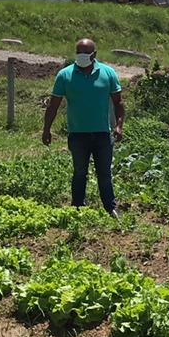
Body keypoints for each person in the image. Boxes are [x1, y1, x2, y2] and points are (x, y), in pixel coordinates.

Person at [42, 38, 125, 220]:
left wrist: (118, 126)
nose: (81, 57)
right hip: (78, 135)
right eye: (78, 53)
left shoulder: (108, 73)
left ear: (94, 55)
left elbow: (118, 103)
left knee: (104, 173)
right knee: (79, 172)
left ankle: (110, 208)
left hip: (102, 133)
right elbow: (53, 105)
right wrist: (46, 129)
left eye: (85, 54)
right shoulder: (65, 75)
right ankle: (78, 207)